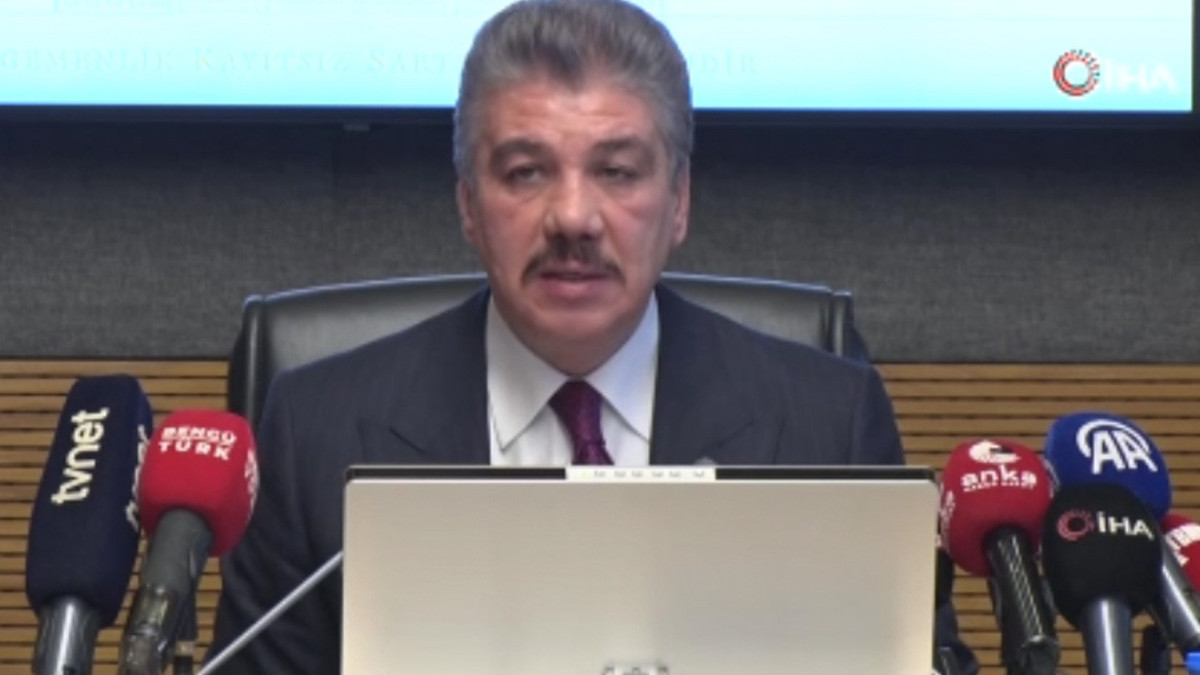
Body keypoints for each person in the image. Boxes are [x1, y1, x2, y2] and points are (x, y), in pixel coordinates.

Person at [210, 0, 977, 672]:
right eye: (525, 172)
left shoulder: (827, 426)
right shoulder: (315, 432)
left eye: (616, 171)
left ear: (679, 202)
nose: (573, 217)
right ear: (468, 205)